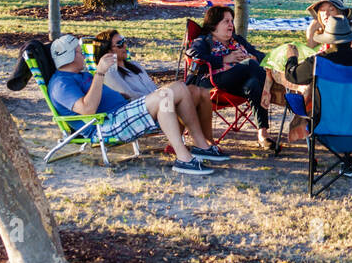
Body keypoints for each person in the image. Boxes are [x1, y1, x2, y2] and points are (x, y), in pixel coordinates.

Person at [46, 34, 225, 175]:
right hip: (106, 124)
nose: (83, 54)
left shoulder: (79, 75)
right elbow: (87, 109)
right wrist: (100, 72)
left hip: (121, 113)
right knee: (170, 93)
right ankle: (184, 159)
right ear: (68, 56)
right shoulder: (61, 84)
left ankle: (199, 148)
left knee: (177, 91)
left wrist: (118, 95)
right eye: (79, 52)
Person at [91, 29, 217, 145]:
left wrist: (165, 93)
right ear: (107, 51)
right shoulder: (108, 73)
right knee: (190, 91)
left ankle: (206, 141)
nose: (125, 46)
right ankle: (196, 144)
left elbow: (153, 88)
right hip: (143, 112)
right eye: (119, 44)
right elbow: (129, 97)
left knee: (200, 91)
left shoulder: (135, 66)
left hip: (156, 103)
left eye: (124, 41)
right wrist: (162, 96)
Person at [186, 5, 276, 150]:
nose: (231, 25)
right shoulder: (203, 41)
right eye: (226, 21)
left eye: (232, 21)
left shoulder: (237, 40)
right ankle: (272, 89)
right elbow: (193, 56)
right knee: (251, 65)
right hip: (214, 82)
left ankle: (262, 135)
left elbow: (260, 55)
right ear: (214, 24)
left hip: (239, 84)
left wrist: (251, 56)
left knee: (253, 83)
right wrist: (225, 59)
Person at [284, 15, 352, 86]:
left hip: (327, 109)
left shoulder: (317, 62)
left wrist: (292, 57)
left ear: (328, 40)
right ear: (351, 40)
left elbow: (292, 76)